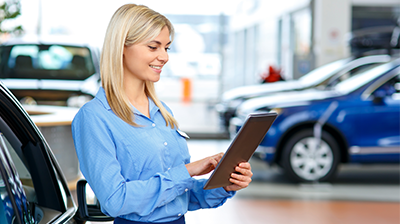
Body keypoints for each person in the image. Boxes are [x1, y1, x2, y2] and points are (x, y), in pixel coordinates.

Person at [71, 4, 253, 224]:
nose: (164, 57)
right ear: (122, 47)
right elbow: (114, 200)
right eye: (153, 47)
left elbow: (181, 195)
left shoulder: (163, 113)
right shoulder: (94, 117)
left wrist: (223, 185)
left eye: (166, 48)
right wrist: (187, 171)